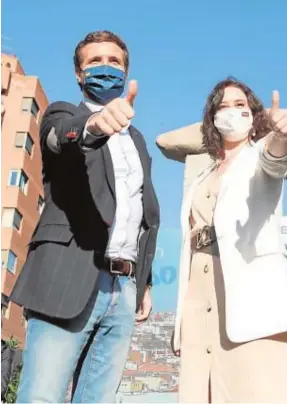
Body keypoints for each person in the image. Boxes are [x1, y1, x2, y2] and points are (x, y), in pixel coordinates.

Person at [10, 30, 160, 403]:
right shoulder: (63, 114)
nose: (105, 67)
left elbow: (136, 211)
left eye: (114, 61)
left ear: (126, 71)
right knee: (41, 397)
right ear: (79, 74)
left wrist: (145, 280)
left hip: (123, 289)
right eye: (95, 61)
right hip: (68, 277)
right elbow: (59, 137)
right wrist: (93, 127)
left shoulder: (138, 140)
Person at [157, 78, 287, 403]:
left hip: (253, 300)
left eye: (240, 105)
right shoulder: (203, 171)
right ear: (210, 118)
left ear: (255, 114)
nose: (231, 112)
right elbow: (164, 139)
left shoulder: (260, 154)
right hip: (199, 296)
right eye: (222, 106)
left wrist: (280, 135)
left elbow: (276, 160)